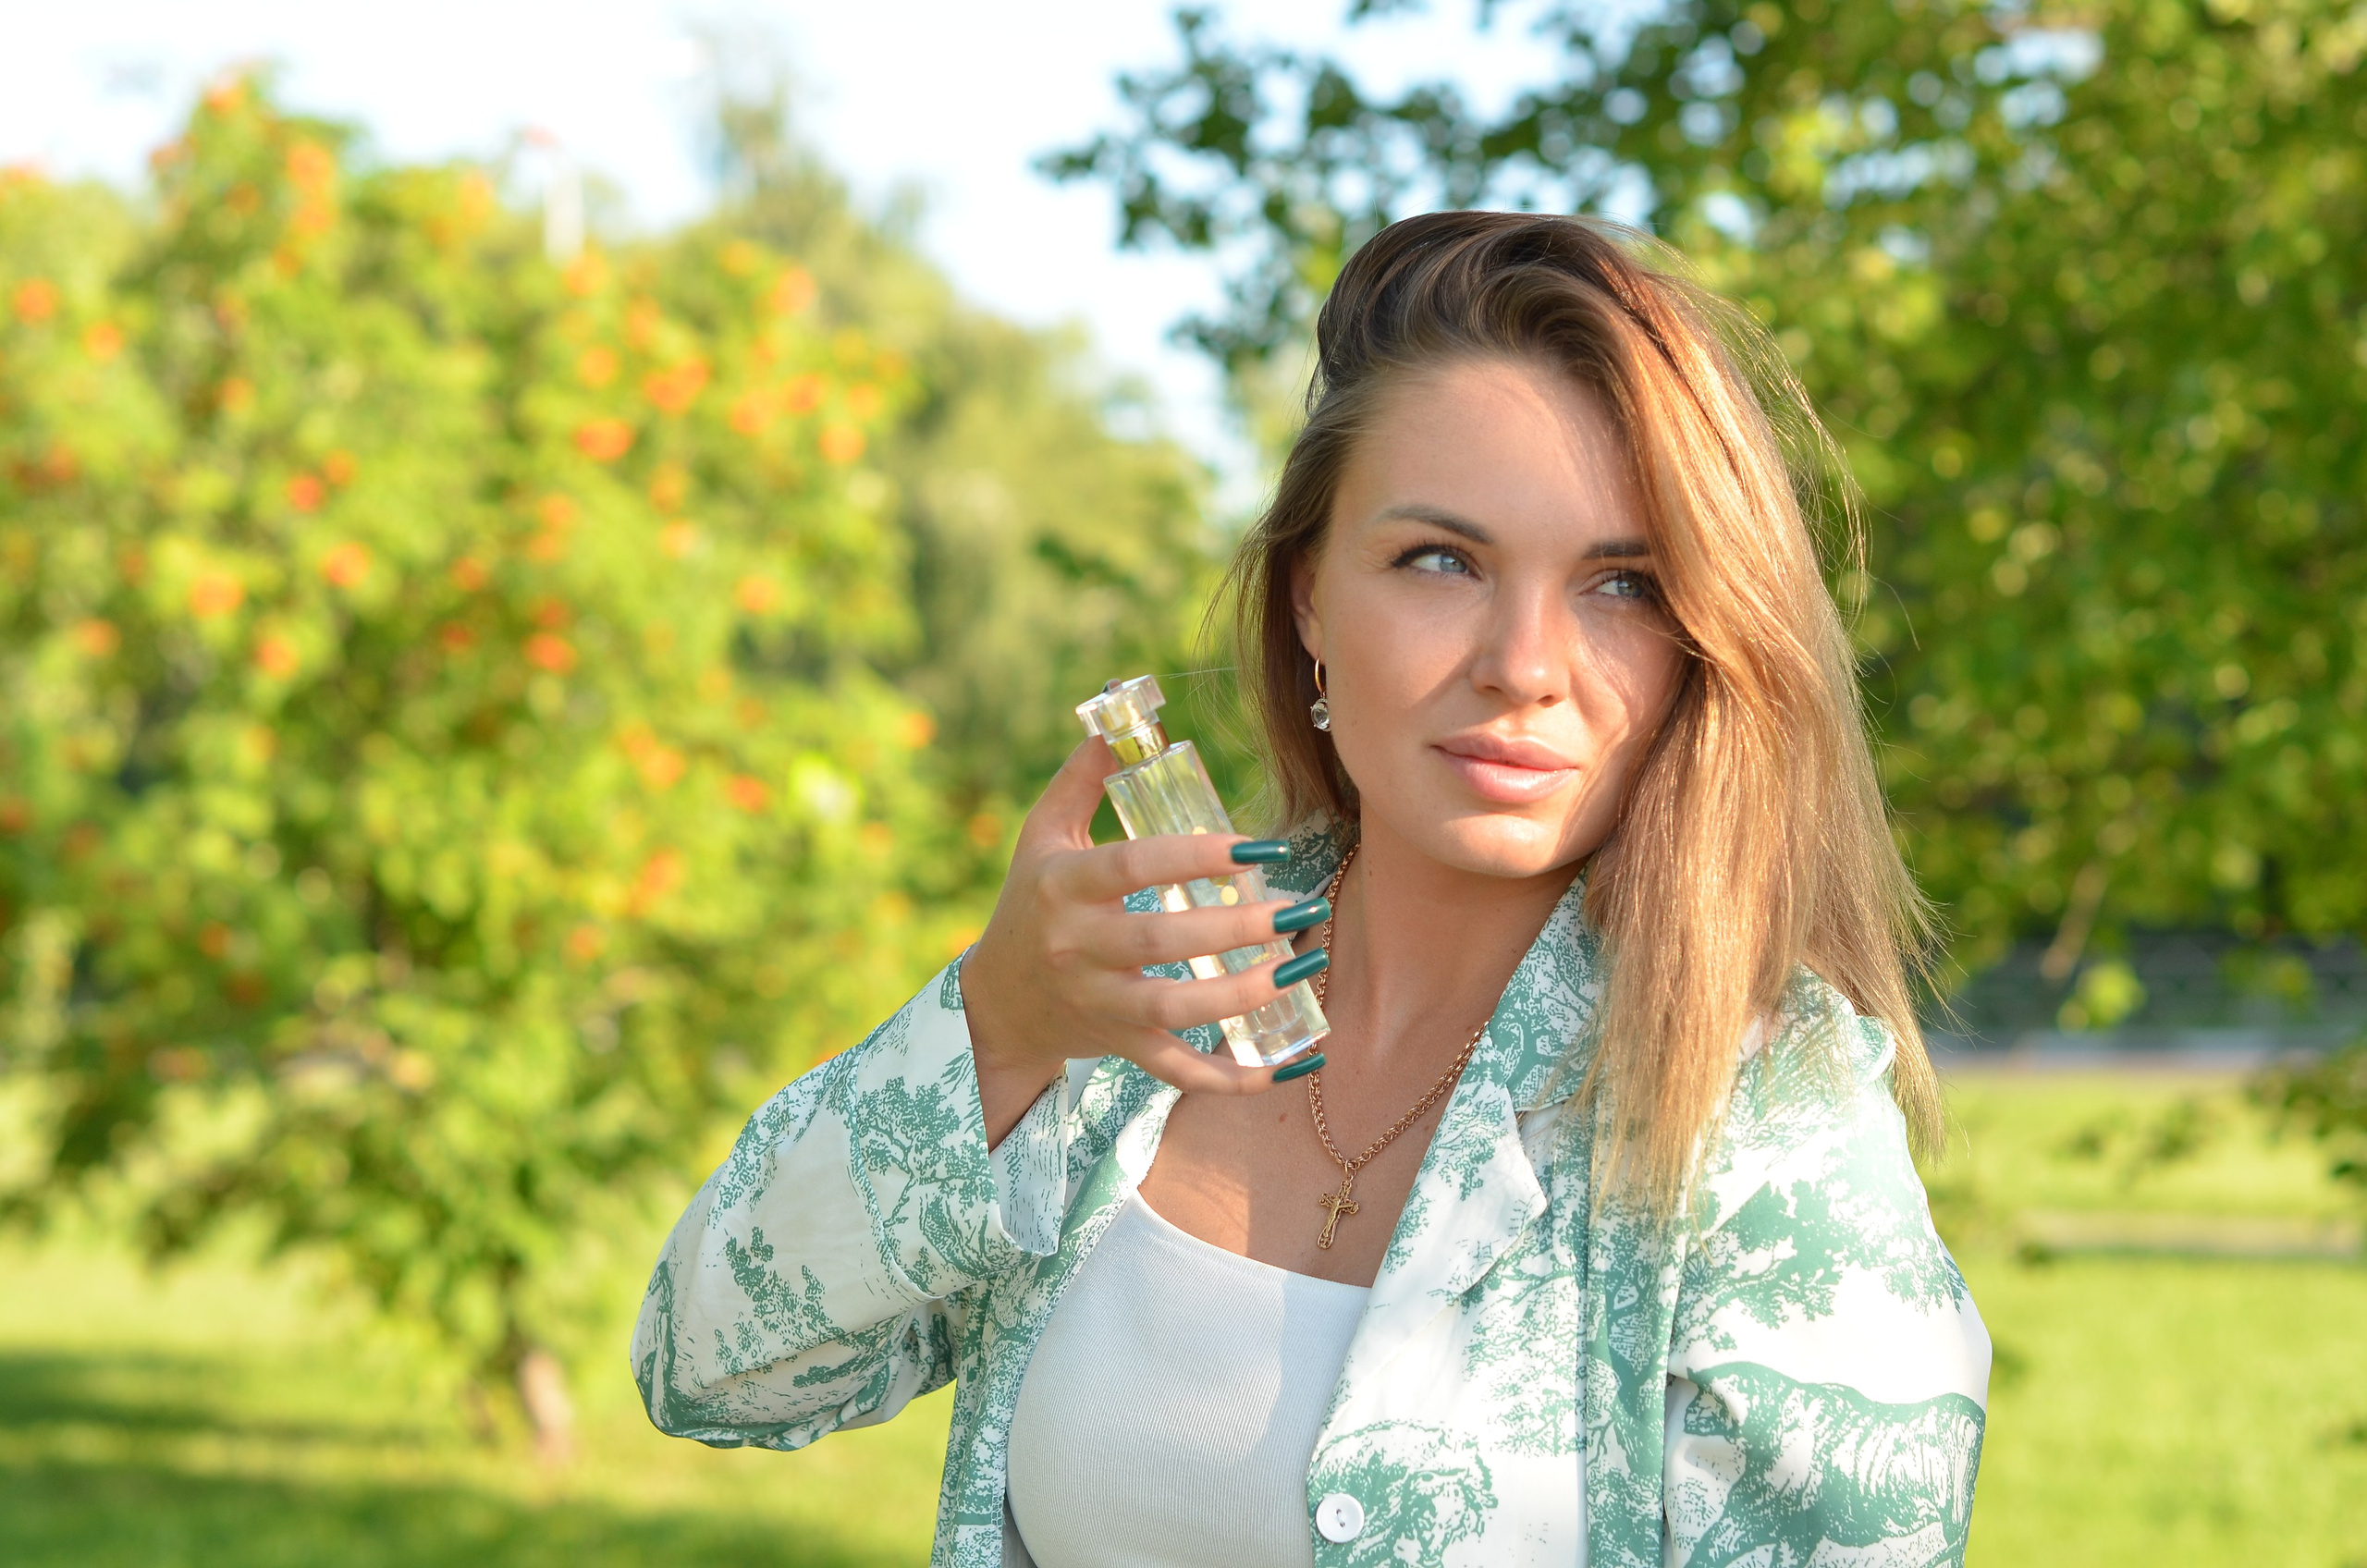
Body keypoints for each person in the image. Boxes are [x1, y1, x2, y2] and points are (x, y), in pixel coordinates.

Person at [631, 211, 1991, 1568]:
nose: (1525, 662)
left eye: (1622, 584)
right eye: (1441, 561)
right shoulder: (1133, 985)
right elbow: (716, 1369)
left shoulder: (1762, 1111)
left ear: (1706, 641)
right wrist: (997, 1026)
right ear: (1309, 606)